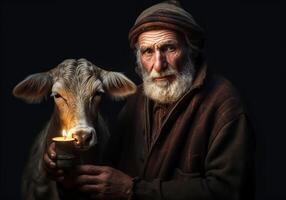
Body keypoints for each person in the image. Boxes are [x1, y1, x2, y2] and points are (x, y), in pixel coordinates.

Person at [44, 1, 255, 199]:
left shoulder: (224, 104)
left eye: (169, 48)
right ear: (139, 58)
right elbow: (105, 180)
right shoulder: (136, 99)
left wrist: (132, 190)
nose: (158, 64)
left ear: (190, 50)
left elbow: (227, 192)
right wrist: (68, 176)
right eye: (147, 51)